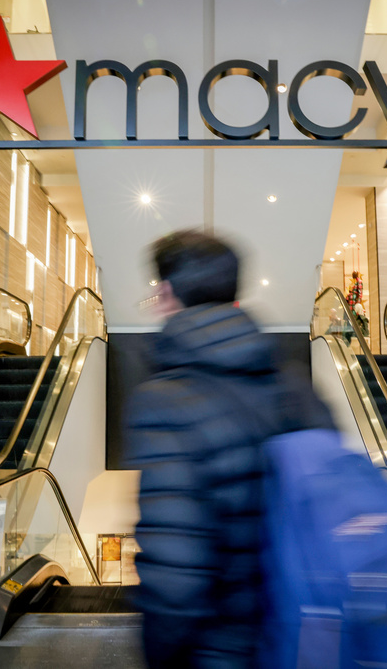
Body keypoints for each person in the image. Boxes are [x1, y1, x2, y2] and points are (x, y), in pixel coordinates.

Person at [126, 230, 334, 668]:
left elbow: (176, 572)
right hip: (304, 637)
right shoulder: (293, 384)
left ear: (167, 293)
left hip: (220, 648)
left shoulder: (164, 399)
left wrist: (161, 655)